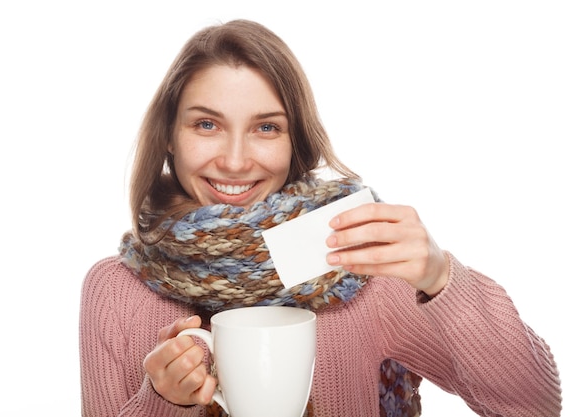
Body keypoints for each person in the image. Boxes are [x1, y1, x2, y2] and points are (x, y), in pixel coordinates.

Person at [79, 19, 562, 417]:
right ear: (169, 135)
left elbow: (533, 406)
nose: (234, 160)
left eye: (266, 127)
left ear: (295, 144)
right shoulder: (114, 291)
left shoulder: (352, 263)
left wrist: (440, 277)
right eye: (207, 124)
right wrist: (162, 400)